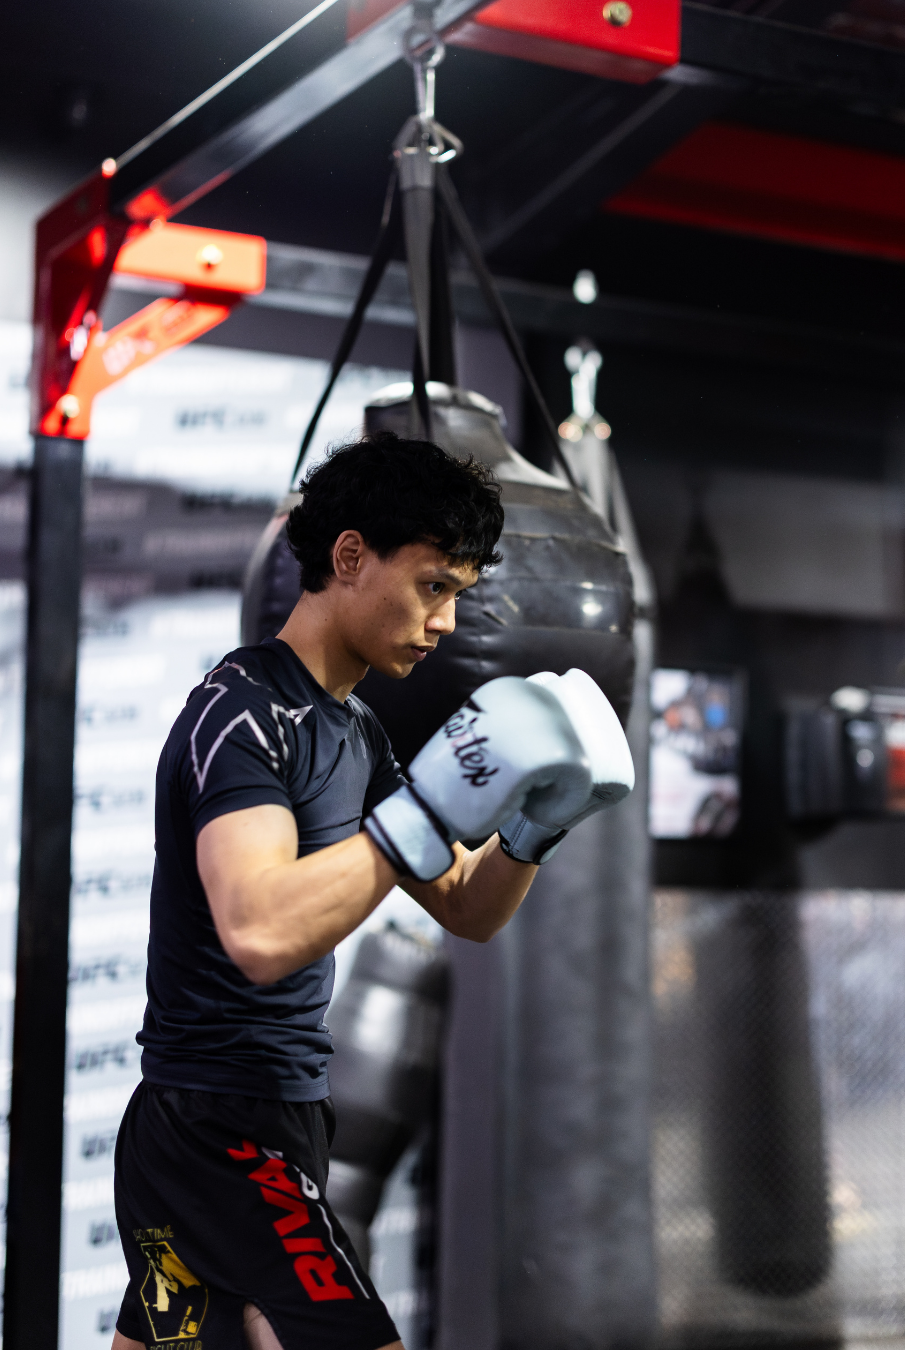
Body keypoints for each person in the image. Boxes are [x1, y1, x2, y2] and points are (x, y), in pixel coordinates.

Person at [111, 432, 632, 1350]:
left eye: (461, 597)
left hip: (275, 1112)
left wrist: (535, 825)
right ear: (350, 556)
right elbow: (260, 931)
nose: (447, 624)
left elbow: (467, 908)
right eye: (434, 586)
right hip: (218, 1123)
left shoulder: (357, 736)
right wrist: (425, 810)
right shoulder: (242, 714)